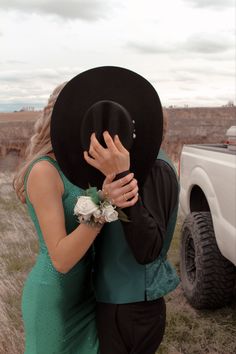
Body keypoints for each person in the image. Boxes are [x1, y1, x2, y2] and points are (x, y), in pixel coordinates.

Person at [49, 66, 180, 354]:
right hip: (112, 300)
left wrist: (122, 179)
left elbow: (148, 249)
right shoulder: (127, 168)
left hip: (133, 308)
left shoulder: (156, 169)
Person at [13, 83, 137, 354]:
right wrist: (104, 202)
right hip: (54, 299)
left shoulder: (79, 165)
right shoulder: (44, 171)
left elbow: (91, 222)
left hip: (85, 293)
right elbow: (61, 258)